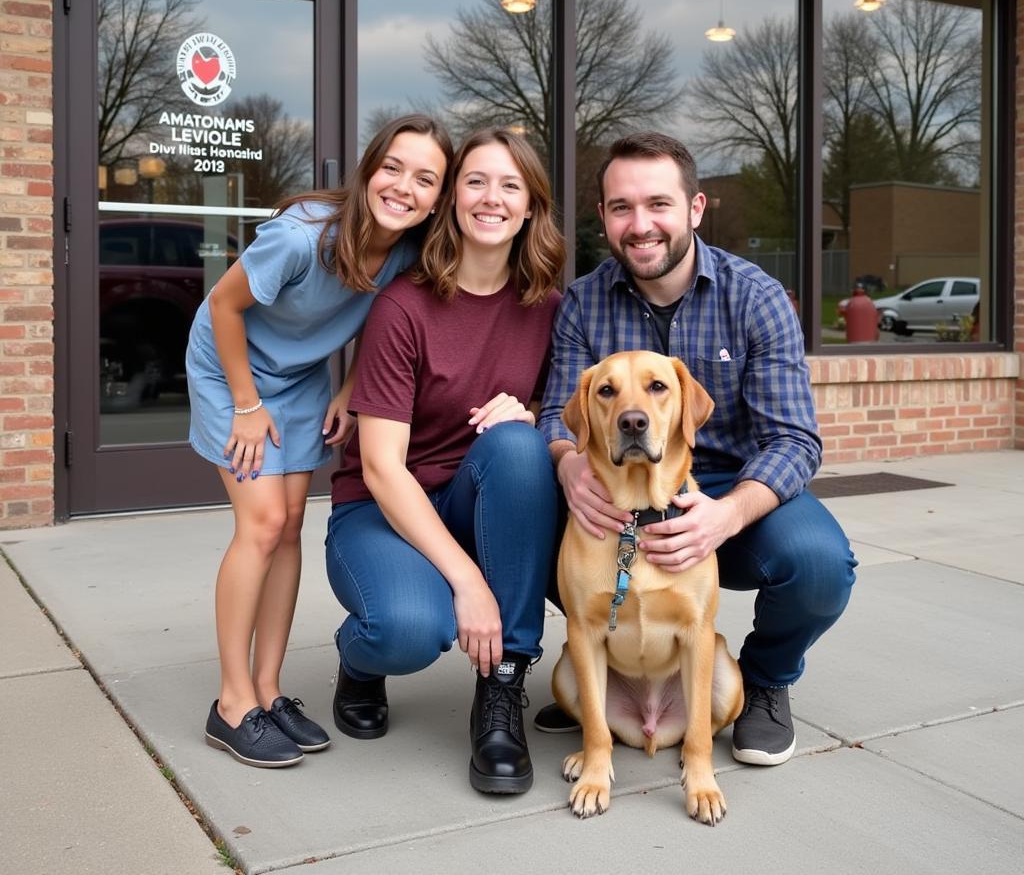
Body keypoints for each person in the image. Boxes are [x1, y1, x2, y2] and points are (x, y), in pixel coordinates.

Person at [536, 131, 857, 767]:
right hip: (617, 496)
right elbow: (556, 413)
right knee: (525, 504)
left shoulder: (755, 296)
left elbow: (794, 440)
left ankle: (764, 681)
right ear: (603, 216)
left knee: (820, 563)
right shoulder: (583, 300)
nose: (641, 223)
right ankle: (596, 679)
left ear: (695, 208)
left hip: (733, 491)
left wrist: (726, 514)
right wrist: (569, 461)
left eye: (658, 203)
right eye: (622, 207)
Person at [187, 114, 453, 768]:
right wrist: (246, 406)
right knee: (263, 521)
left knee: (289, 529)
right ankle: (230, 703)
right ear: (369, 170)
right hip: (233, 372)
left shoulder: (406, 251)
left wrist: (352, 389)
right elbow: (224, 306)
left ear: (438, 198)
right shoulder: (301, 236)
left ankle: (269, 691)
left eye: (425, 179)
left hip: (301, 377)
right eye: (393, 167)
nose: (403, 187)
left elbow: (383, 322)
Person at [325, 128, 565, 794]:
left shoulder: (549, 307)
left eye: (510, 185)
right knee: (407, 632)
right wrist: (468, 581)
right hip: (382, 510)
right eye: (476, 181)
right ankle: (358, 658)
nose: (492, 198)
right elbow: (379, 467)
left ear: (530, 207)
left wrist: (536, 414)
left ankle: (501, 684)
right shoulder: (404, 304)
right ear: (452, 198)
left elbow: (574, 410)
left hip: (477, 501)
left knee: (520, 445)